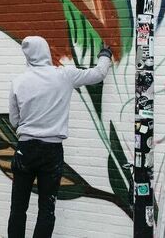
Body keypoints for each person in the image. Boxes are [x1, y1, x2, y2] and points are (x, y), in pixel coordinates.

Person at [7, 36, 112, 238]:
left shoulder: (18, 82)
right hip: (51, 151)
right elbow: (97, 74)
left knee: (18, 208)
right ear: (46, 51)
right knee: (47, 209)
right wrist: (105, 54)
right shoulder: (64, 76)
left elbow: (14, 120)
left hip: (25, 150)